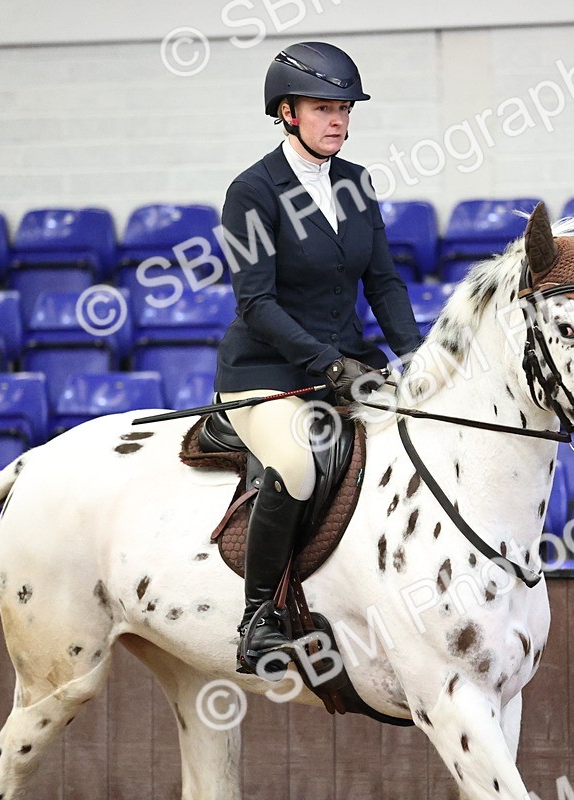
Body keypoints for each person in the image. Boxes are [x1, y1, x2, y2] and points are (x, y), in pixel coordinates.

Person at [216, 41, 423, 675]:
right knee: (298, 465)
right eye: (323, 108)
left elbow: (383, 282)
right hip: (269, 373)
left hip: (350, 360)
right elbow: (257, 303)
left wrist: (416, 356)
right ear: (287, 112)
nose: (338, 120)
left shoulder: (356, 183)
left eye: (344, 109)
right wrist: (328, 366)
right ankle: (258, 620)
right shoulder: (252, 192)